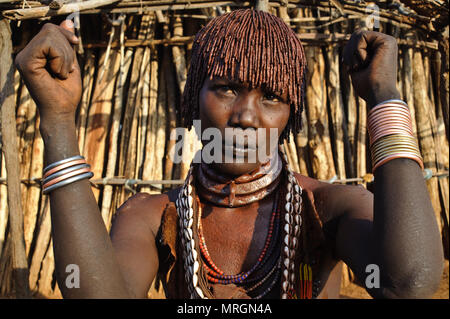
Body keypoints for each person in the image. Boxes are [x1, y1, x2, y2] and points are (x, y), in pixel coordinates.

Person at [15, 9, 443, 299]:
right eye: (226, 88)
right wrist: (56, 119)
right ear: (192, 100)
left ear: (291, 116)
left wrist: (384, 97)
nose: (246, 116)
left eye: (272, 97)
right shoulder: (152, 217)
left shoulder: (325, 210)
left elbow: (409, 282)